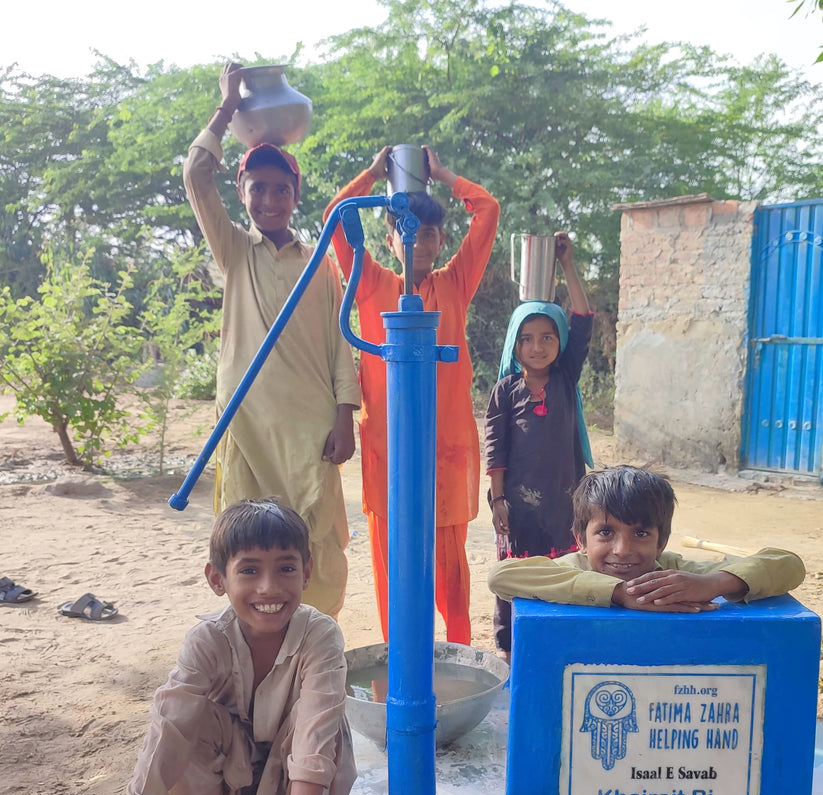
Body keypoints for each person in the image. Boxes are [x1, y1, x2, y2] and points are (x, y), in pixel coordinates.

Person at [68, 498, 356, 795]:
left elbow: (313, 746)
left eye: (285, 568)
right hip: (231, 766)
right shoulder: (207, 641)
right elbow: (164, 740)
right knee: (183, 720)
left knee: (323, 731)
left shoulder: (320, 635)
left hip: (292, 766)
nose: (269, 587)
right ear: (216, 579)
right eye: (249, 571)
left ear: (306, 572)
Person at [183, 61, 361, 617]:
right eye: (257, 188)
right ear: (242, 192)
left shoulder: (321, 263)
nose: (268, 199)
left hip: (309, 434)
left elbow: (340, 344)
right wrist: (227, 104)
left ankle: (310, 654)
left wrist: (344, 415)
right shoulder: (234, 252)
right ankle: (252, 657)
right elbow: (194, 175)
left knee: (315, 550)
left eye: (279, 189)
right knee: (248, 546)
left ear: (294, 194)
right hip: (248, 428)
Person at [323, 145, 500, 645]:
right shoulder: (370, 283)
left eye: (427, 235)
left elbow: (487, 211)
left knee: (450, 574)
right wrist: (373, 177)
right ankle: (400, 658)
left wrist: (443, 175)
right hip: (389, 455)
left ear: (440, 240)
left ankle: (460, 654)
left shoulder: (456, 284)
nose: (417, 244)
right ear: (389, 239)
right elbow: (333, 221)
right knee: (393, 568)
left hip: (446, 457)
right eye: (407, 235)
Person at [484, 232, 594, 660]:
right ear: (515, 343)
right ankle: (511, 650)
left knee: (564, 574)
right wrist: (496, 501)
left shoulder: (565, 378)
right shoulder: (506, 390)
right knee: (515, 577)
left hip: (565, 505)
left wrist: (567, 265)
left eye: (547, 337)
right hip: (517, 507)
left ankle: (557, 649)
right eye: (527, 338)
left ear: (559, 343)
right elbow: (495, 449)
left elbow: (583, 317)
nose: (537, 346)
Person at [488, 465, 805, 612]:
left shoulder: (671, 573)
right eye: (606, 532)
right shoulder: (571, 567)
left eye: (640, 533)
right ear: (580, 538)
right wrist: (619, 593)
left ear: (662, 541)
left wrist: (714, 584)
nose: (622, 550)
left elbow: (787, 564)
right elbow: (501, 576)